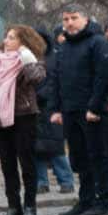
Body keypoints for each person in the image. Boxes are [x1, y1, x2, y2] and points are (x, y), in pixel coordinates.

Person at [44, 6, 108, 215]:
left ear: (85, 19)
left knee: (98, 156)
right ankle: (86, 200)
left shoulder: (97, 42)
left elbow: (103, 77)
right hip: (70, 110)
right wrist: (55, 108)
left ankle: (103, 202)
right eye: (66, 19)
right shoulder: (64, 47)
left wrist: (95, 107)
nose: (70, 23)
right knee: (79, 158)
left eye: (74, 18)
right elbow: (57, 78)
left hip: (92, 111)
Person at [0, 25, 47, 215]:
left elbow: (37, 78)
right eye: (6, 37)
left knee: (26, 162)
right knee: (6, 164)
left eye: (12, 38)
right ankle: (13, 206)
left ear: (23, 41)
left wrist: (27, 58)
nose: (6, 41)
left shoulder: (31, 60)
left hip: (24, 115)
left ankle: (30, 205)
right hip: (0, 118)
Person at [32, 28, 76, 196]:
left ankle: (66, 181)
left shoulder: (56, 57)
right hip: (34, 109)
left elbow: (57, 82)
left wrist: (42, 95)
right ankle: (41, 182)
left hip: (51, 108)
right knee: (36, 148)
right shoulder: (29, 58)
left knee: (56, 148)